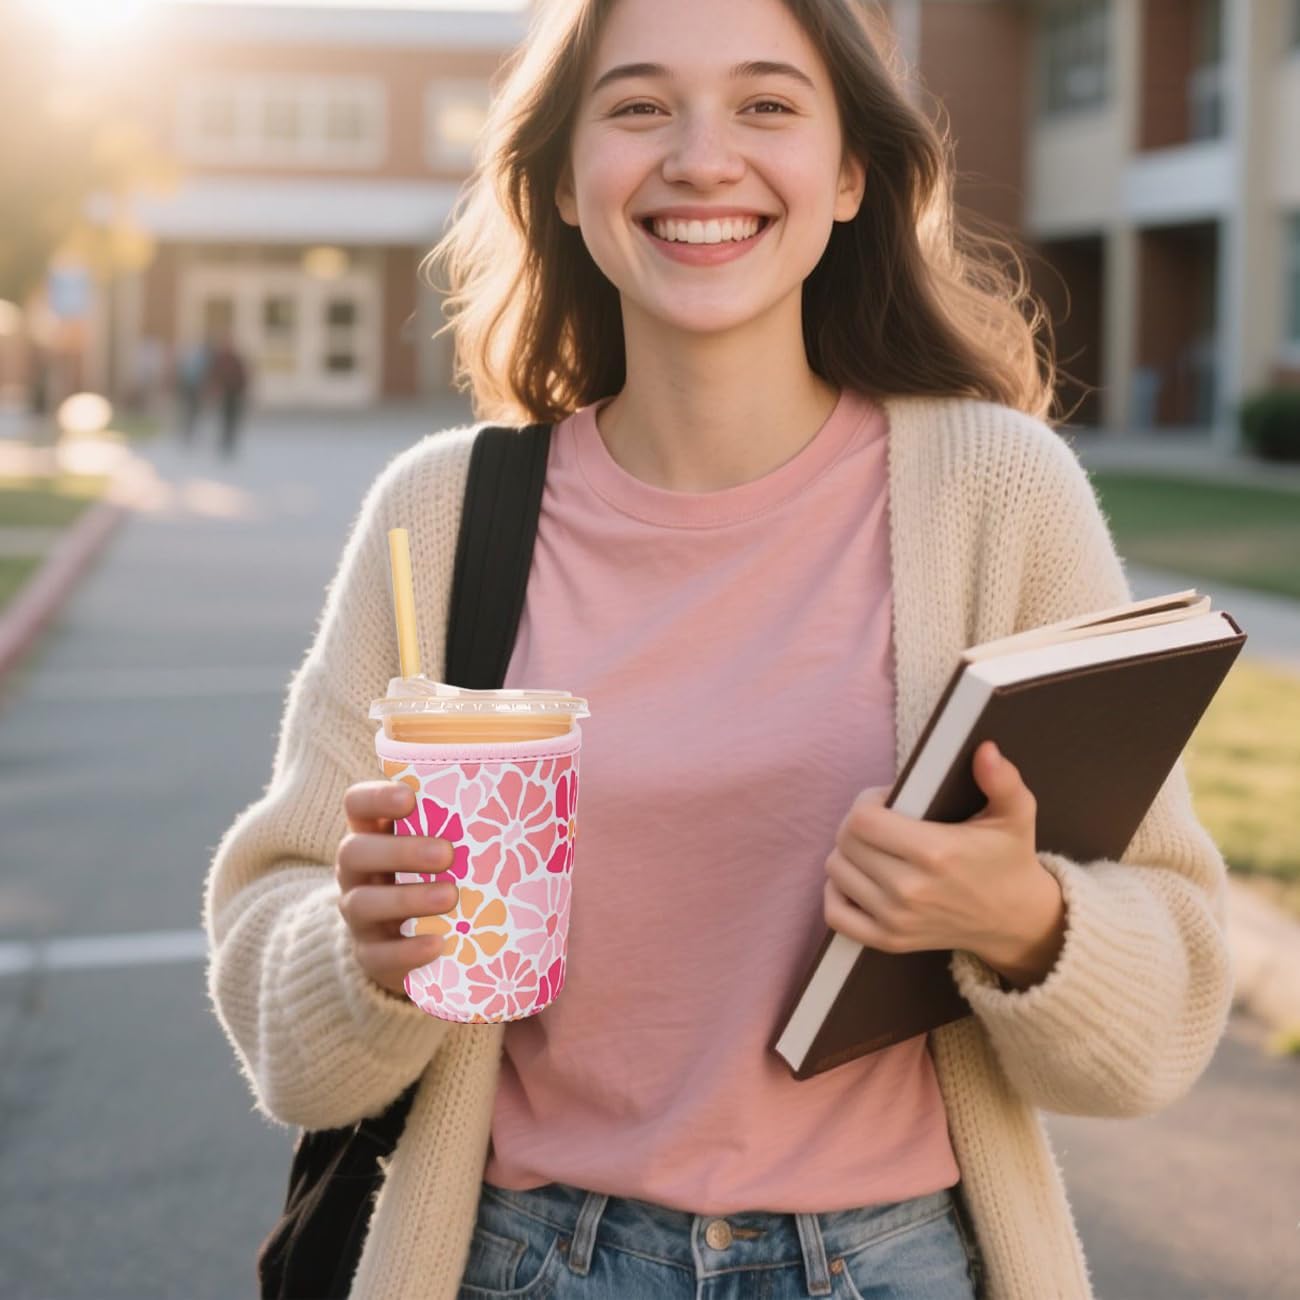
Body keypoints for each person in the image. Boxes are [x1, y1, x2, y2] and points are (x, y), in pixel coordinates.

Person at [203, 2, 1234, 1298]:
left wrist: (1026, 922)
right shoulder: (442, 514)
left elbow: (1169, 1011)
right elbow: (279, 989)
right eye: (638, 107)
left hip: (891, 1259)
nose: (701, 157)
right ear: (564, 185)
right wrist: (364, 957)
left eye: (765, 105)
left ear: (851, 173)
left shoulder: (995, 493)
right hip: (515, 1261)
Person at [209, 333, 249, 459]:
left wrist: (242, 390)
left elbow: (243, 376)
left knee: (232, 420)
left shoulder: (235, 359)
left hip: (234, 394)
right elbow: (214, 375)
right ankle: (224, 442)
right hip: (225, 394)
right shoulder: (221, 359)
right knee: (224, 419)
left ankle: (230, 442)